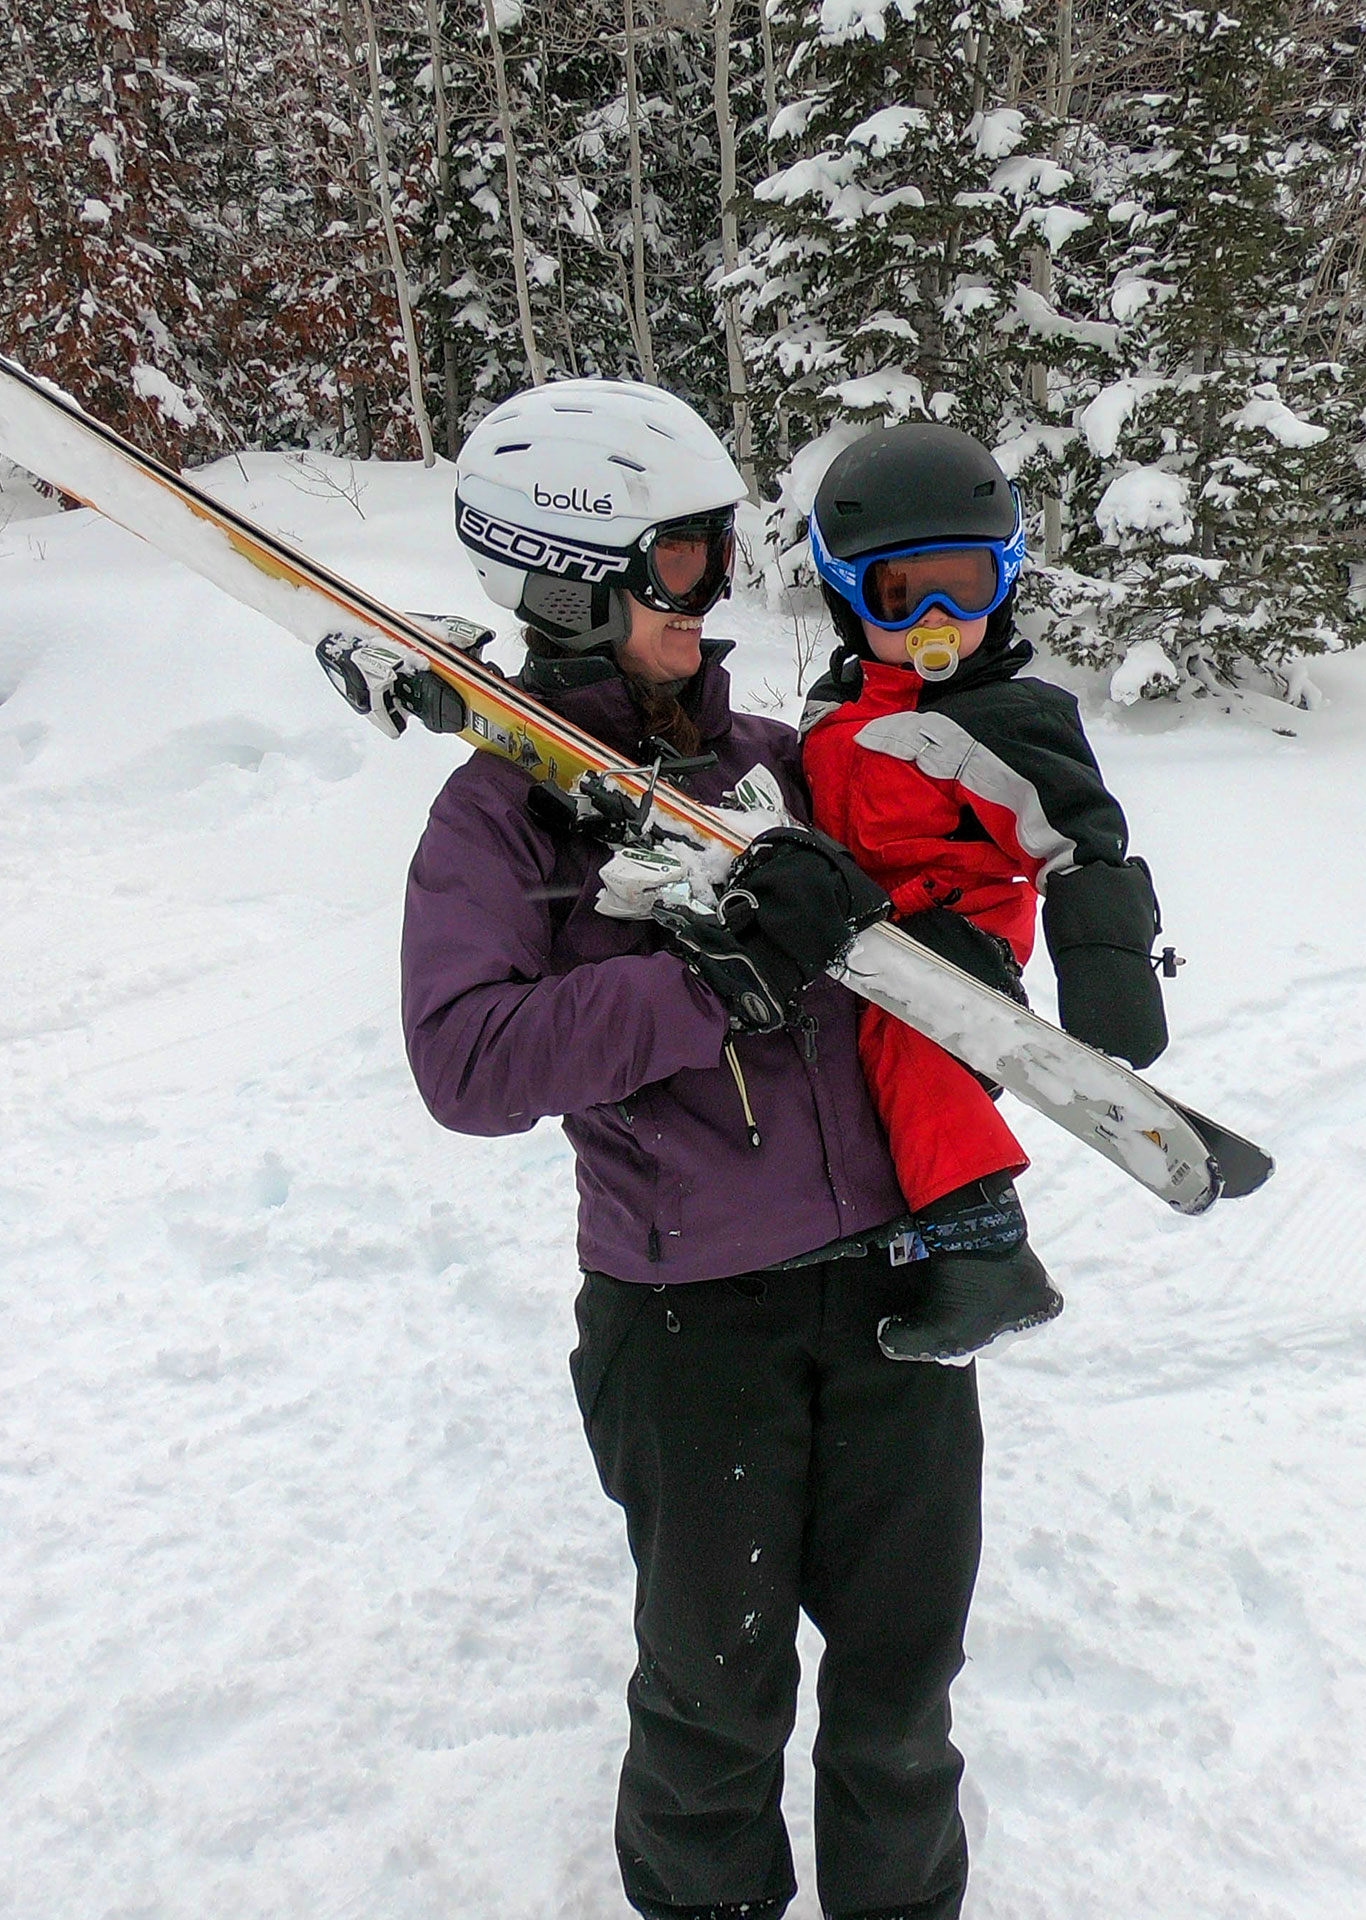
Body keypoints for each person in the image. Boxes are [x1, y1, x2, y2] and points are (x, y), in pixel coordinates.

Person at [399, 379, 982, 1920]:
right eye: (680, 564)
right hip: (687, 1329)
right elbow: (464, 1062)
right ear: (574, 579)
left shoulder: (782, 761)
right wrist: (702, 982)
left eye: (720, 555)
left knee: (903, 1691)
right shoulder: (501, 822)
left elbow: (925, 942)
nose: (713, 596)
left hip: (892, 1299)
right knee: (715, 1706)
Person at [799, 422, 1173, 1364]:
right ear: (851, 596)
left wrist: (1109, 963)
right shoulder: (839, 709)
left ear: (1002, 583)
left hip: (954, 935)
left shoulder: (1002, 714)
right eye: (899, 589)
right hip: (859, 924)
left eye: (961, 587)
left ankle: (988, 1250)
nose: (933, 617)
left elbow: (1084, 838)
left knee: (908, 1037)